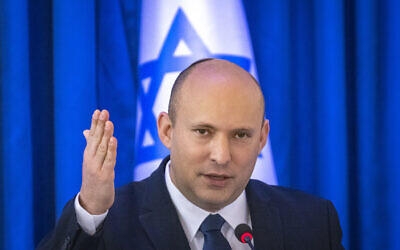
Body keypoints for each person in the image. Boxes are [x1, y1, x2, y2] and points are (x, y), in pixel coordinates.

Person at [38, 59, 344, 249]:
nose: (221, 156)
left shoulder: (313, 222)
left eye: (241, 135)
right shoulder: (107, 225)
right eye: (203, 132)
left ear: (262, 137)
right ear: (167, 131)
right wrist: (91, 210)